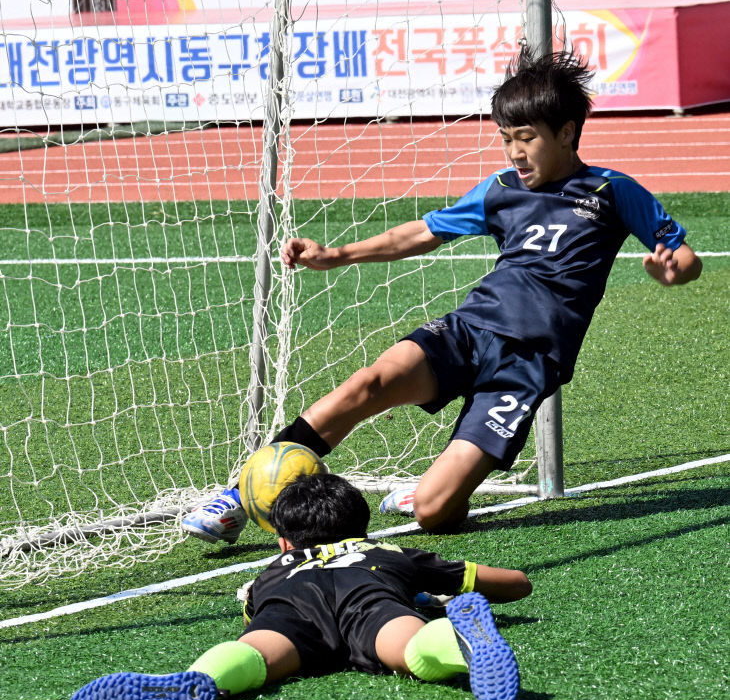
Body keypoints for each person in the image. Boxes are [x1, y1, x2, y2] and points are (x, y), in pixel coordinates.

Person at [182, 48, 702, 542]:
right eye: (506, 139)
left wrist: (670, 270)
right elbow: (424, 232)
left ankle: (436, 495)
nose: (515, 152)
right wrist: (337, 254)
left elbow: (682, 257)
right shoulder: (501, 188)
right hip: (469, 329)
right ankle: (240, 494)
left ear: (567, 132)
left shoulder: (612, 191)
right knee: (366, 384)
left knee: (435, 513)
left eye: (526, 137)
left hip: (529, 364)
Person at [69, 473, 531, 700]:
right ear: (362, 528)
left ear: (283, 543)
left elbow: (251, 617)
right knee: (408, 644)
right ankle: (462, 643)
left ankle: (199, 679)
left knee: (256, 651)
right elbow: (515, 583)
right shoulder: (385, 551)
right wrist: (434, 589)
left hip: (292, 600)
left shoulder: (269, 574)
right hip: (366, 589)